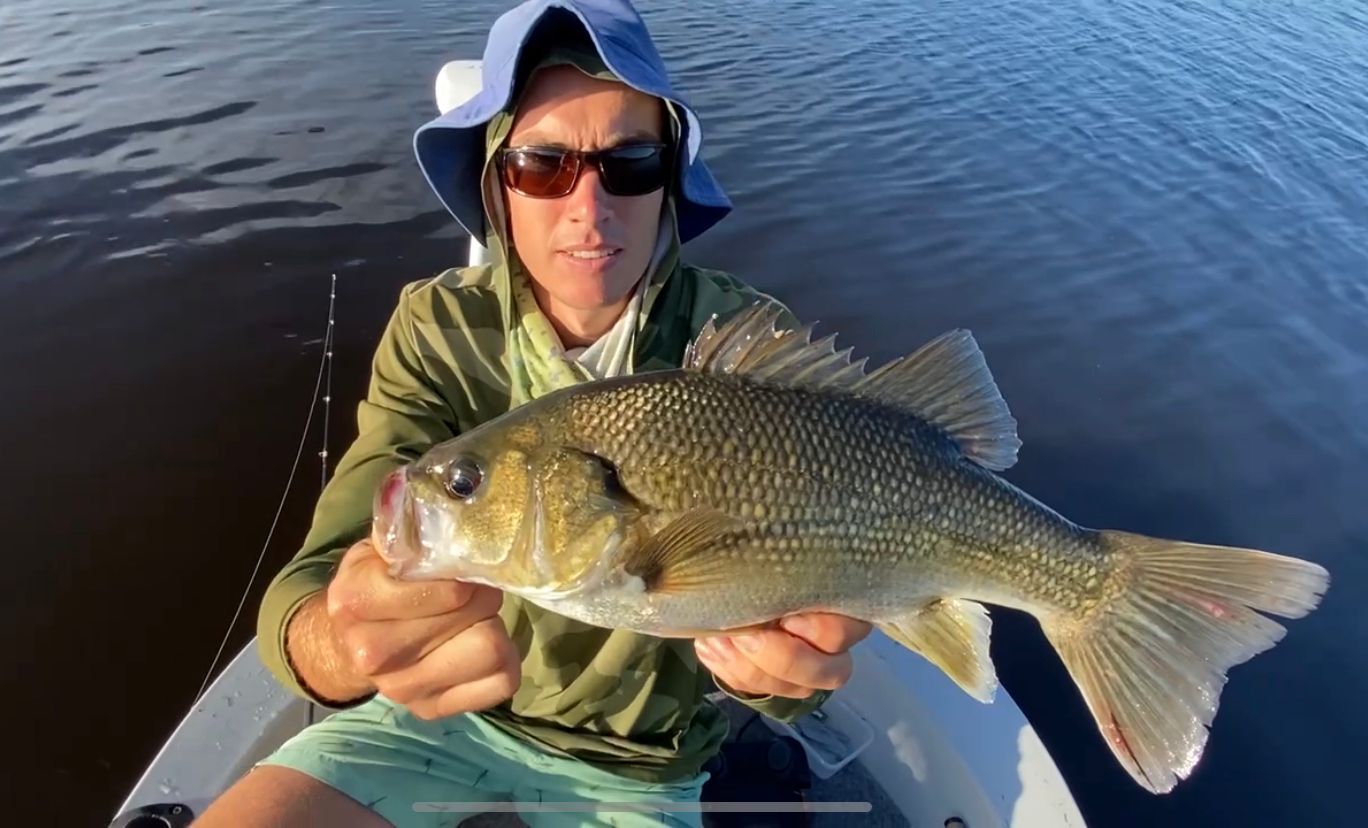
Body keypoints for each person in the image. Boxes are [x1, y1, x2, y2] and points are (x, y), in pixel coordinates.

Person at [197, 1, 870, 825]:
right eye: (542, 166)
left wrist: (784, 675)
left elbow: (807, 625)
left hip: (641, 765)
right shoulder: (437, 328)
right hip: (434, 722)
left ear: (667, 179)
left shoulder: (743, 343)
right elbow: (310, 582)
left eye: (628, 163)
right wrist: (342, 644)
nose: (589, 208)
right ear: (495, 182)